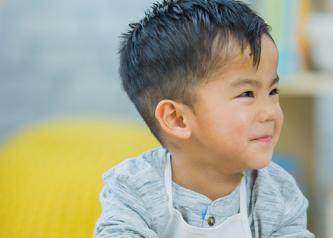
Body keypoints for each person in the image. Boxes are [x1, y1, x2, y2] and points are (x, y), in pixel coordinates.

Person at [94, 0, 314, 237]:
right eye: (246, 94)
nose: (270, 112)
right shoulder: (134, 188)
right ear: (177, 119)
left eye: (273, 92)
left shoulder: (278, 194)